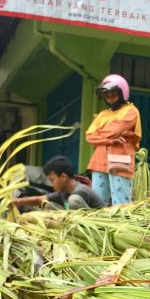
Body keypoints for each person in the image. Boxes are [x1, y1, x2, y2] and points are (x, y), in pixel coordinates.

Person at [86, 74, 141, 206]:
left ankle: (122, 226)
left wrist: (99, 133)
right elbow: (89, 136)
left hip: (120, 156)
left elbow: (114, 130)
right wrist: (109, 140)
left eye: (113, 93)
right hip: (99, 159)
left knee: (121, 201)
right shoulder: (103, 114)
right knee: (98, 202)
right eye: (106, 94)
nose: (110, 97)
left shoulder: (130, 111)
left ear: (122, 93)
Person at [12, 156, 106, 210]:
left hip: (96, 226)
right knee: (48, 205)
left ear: (63, 177)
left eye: (52, 180)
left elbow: (75, 203)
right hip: (73, 219)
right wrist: (18, 201)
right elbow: (40, 199)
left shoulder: (81, 190)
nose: (52, 184)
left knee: (74, 201)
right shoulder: (65, 192)